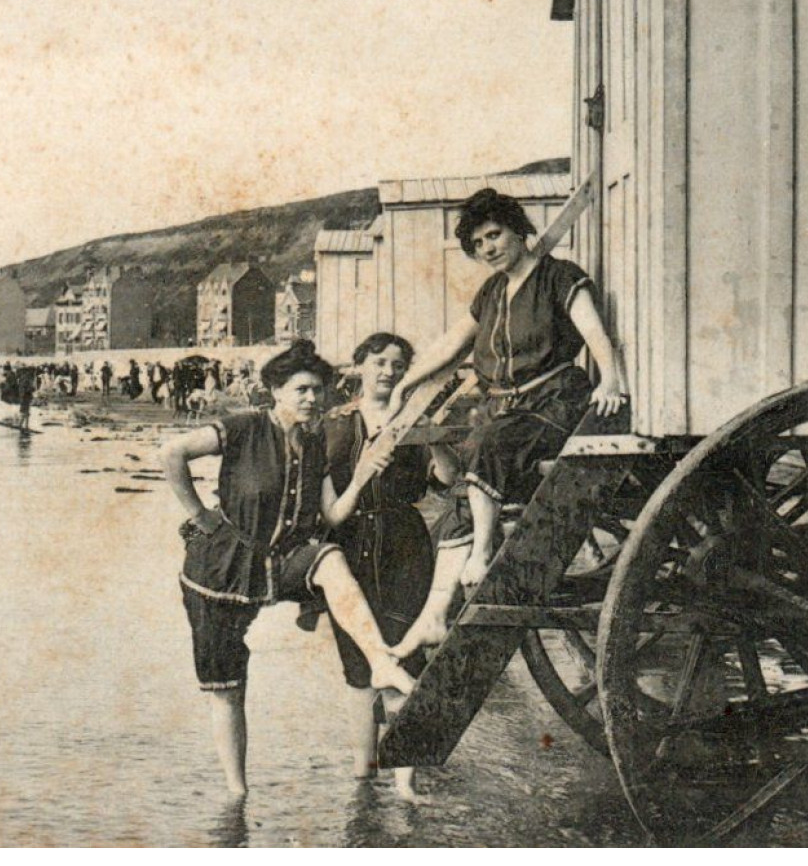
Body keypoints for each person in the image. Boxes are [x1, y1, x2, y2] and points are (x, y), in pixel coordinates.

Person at [161, 339, 416, 797]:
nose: (311, 399)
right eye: (300, 390)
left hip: (279, 562)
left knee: (329, 558)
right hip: (219, 571)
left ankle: (380, 663)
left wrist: (359, 477)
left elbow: (333, 517)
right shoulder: (243, 428)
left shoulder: (315, 440)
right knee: (227, 686)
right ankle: (237, 793)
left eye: (318, 390)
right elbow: (172, 454)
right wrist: (202, 516)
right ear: (275, 390)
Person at [387, 188, 626, 655]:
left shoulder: (559, 277)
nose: (488, 248)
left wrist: (611, 380)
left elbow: (594, 329)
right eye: (478, 244)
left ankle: (481, 555)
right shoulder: (492, 292)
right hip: (508, 408)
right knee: (461, 497)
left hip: (556, 401)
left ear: (517, 229)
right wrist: (404, 384)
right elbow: (449, 345)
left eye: (494, 235)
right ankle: (434, 617)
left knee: (490, 445)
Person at [320, 332, 457, 798]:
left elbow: (449, 479)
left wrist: (434, 435)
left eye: (399, 364)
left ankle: (404, 781)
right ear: (359, 366)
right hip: (351, 541)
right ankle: (363, 775)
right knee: (358, 662)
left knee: (405, 653)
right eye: (379, 361)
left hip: (404, 544)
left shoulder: (414, 420)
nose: (389, 371)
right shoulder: (333, 424)